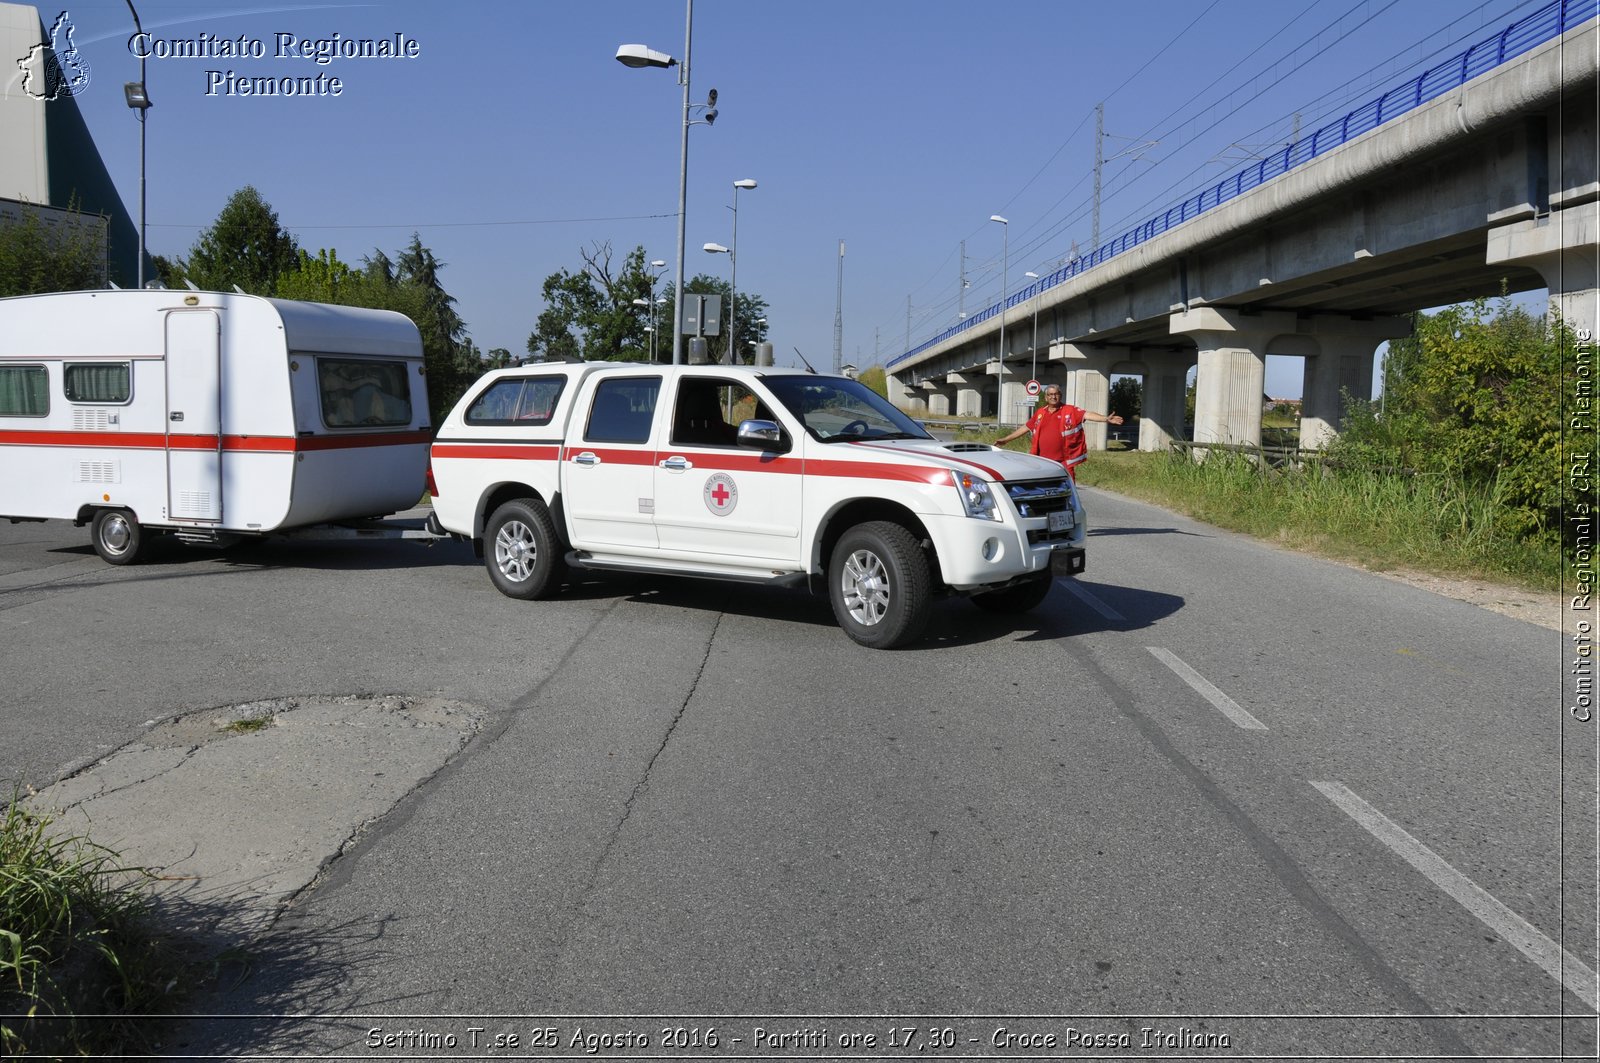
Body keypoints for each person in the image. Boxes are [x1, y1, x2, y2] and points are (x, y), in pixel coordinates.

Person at [995, 385, 1123, 479]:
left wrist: (1105, 419)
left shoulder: (1069, 410)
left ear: (1060, 396)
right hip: (1041, 462)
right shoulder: (1040, 413)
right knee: (1043, 490)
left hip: (1064, 462)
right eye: (1050, 394)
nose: (1053, 396)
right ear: (1046, 397)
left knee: (1067, 493)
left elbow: (1087, 414)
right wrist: (1006, 439)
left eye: (1056, 394)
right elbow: (1025, 428)